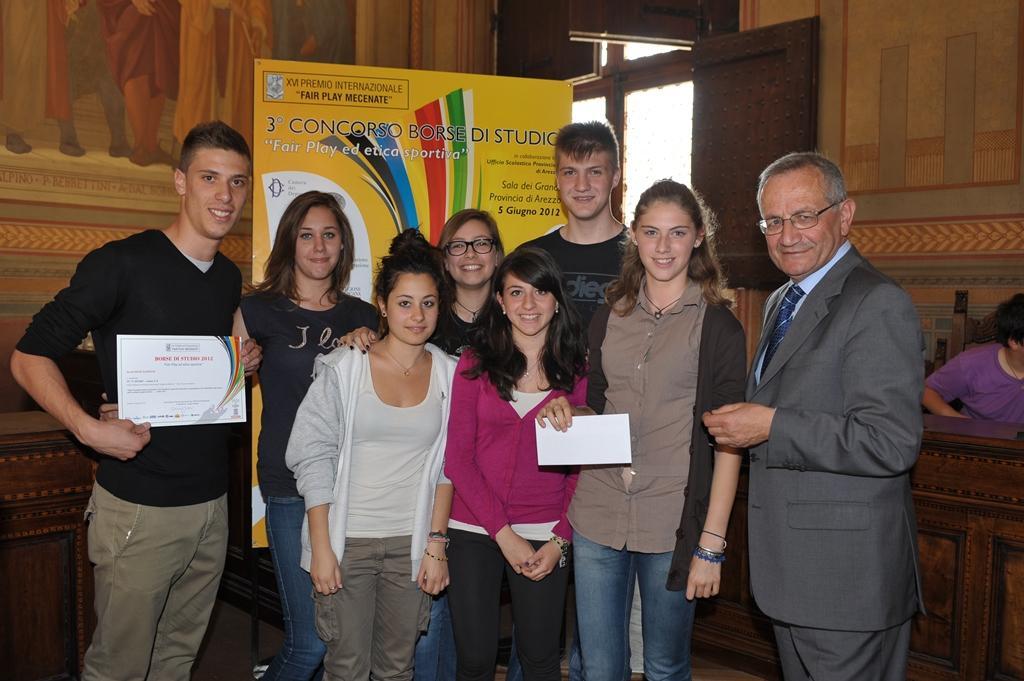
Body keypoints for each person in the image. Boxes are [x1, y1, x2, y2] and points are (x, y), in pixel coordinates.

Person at [10, 120, 259, 680]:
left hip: (211, 506)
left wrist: (241, 367)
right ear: (180, 181)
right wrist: (88, 429)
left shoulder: (227, 277)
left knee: (176, 661)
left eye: (237, 182)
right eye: (210, 178)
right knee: (118, 668)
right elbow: (28, 357)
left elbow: (202, 380)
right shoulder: (121, 263)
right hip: (140, 507)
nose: (225, 195)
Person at [703, 152, 924, 681]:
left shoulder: (877, 302)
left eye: (803, 216)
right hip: (795, 576)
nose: (787, 236)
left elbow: (890, 441)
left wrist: (770, 426)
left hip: (845, 582)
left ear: (844, 215)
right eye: (773, 221)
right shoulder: (784, 298)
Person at [536, 180, 746, 681]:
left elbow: (730, 442)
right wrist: (568, 411)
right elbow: (596, 404)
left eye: (678, 232)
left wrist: (711, 544)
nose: (663, 246)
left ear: (698, 237)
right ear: (634, 235)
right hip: (599, 512)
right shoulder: (610, 315)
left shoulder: (718, 326)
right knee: (599, 667)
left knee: (665, 667)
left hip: (671, 520)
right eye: (651, 232)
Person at [337, 209, 506, 681]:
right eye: (458, 245)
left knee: (456, 641)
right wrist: (361, 337)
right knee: (411, 641)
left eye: (482, 243)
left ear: (497, 253)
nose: (470, 254)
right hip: (417, 508)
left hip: (484, 499)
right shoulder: (418, 330)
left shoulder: (515, 316)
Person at [286, 230, 456, 681]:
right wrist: (322, 548)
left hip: (410, 545)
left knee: (397, 668)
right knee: (346, 669)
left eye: (428, 303)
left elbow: (447, 469)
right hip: (348, 542)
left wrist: (436, 546)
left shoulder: (451, 375)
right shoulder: (345, 366)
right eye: (404, 303)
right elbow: (312, 457)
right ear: (382, 304)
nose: (417, 316)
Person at [235, 191, 378, 680]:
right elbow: (220, 391)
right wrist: (240, 369)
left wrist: (370, 348)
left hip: (354, 487)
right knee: (310, 641)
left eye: (329, 235)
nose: (319, 247)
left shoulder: (365, 316)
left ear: (343, 244)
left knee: (343, 634)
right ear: (289, 243)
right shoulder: (256, 310)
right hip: (289, 484)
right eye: (307, 235)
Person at [445, 247, 588, 681]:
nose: (529, 304)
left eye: (540, 292)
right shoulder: (474, 364)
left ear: (557, 300)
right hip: (474, 527)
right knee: (475, 660)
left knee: (541, 659)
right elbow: (458, 459)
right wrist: (504, 535)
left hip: (546, 532)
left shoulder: (577, 371)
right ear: (500, 302)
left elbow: (582, 471)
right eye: (516, 292)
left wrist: (561, 540)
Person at [521, 120, 627, 330]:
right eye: (570, 172)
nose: (582, 185)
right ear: (557, 180)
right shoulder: (531, 256)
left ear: (615, 177)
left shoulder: (642, 256)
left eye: (594, 172)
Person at [923, 293, 1024, 423]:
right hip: (981, 434)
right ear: (1014, 342)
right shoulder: (972, 363)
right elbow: (927, 392)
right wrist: (959, 421)